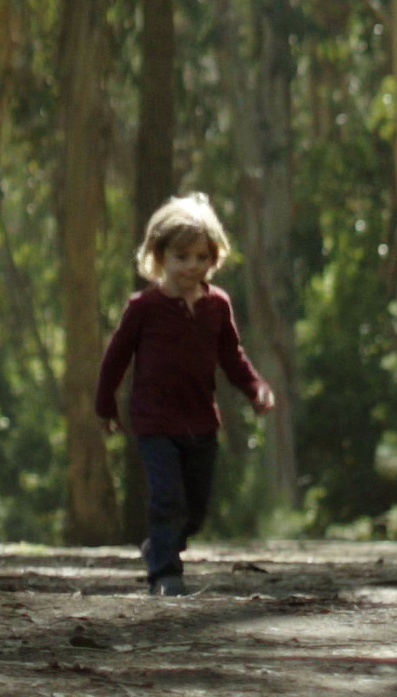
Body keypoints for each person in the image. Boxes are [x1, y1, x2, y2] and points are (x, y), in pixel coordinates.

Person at [93, 193, 279, 596]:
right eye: (181, 257)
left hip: (200, 422)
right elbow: (115, 358)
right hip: (154, 422)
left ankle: (159, 546)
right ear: (159, 256)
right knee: (167, 498)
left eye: (201, 257)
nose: (191, 266)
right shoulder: (143, 307)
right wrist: (105, 404)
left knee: (194, 511)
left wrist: (254, 389)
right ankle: (165, 574)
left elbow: (232, 356)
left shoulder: (218, 307)